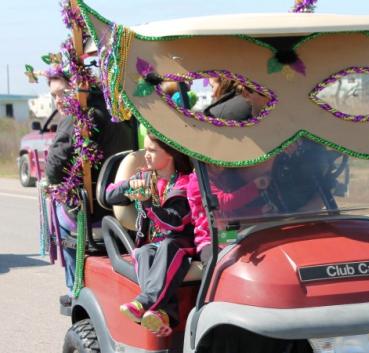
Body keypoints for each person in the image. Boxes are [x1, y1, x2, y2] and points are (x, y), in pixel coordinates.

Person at [46, 72, 135, 307]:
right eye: (54, 95)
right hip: (121, 202)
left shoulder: (79, 117)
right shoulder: (121, 114)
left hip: (93, 210)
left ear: (77, 88)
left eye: (63, 93)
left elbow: (53, 167)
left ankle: (74, 288)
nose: (58, 100)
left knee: (56, 208)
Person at [105, 133, 194, 336]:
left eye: (152, 151)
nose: (146, 155)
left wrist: (147, 203)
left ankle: (144, 303)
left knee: (168, 246)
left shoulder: (185, 184)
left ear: (170, 154)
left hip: (180, 243)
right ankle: (163, 315)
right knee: (143, 252)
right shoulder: (144, 176)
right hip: (153, 243)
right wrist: (129, 186)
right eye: (146, 150)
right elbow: (108, 194)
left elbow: (174, 223)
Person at [187, 168, 270, 266]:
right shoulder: (197, 182)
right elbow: (224, 202)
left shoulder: (220, 179)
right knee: (214, 263)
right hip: (210, 239)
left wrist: (260, 211)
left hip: (227, 236)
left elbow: (236, 215)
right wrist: (254, 186)